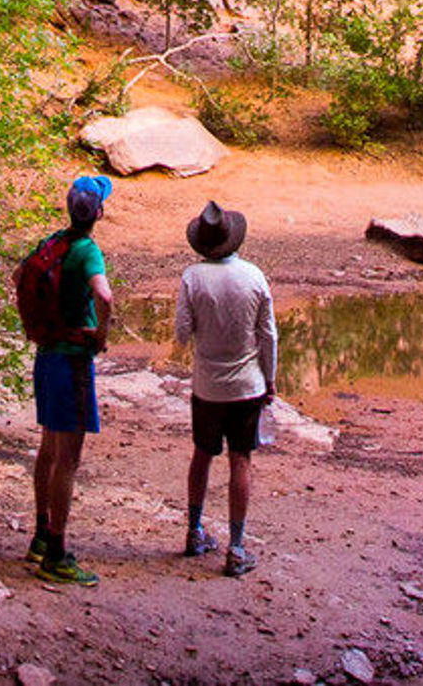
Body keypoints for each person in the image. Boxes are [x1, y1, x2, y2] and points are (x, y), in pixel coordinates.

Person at [172, 199, 276, 576]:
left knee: (201, 455)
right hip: (247, 385)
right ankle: (235, 547)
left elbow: (182, 333)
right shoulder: (254, 276)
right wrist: (271, 377)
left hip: (207, 386)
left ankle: (194, 531)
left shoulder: (192, 278)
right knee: (241, 461)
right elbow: (268, 335)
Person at [28, 174, 114, 584]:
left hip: (46, 355)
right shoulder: (86, 251)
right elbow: (106, 295)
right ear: (98, 213)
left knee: (48, 448)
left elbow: (18, 276)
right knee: (69, 459)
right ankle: (57, 554)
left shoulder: (52, 243)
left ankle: (41, 535)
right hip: (72, 361)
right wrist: (100, 335)